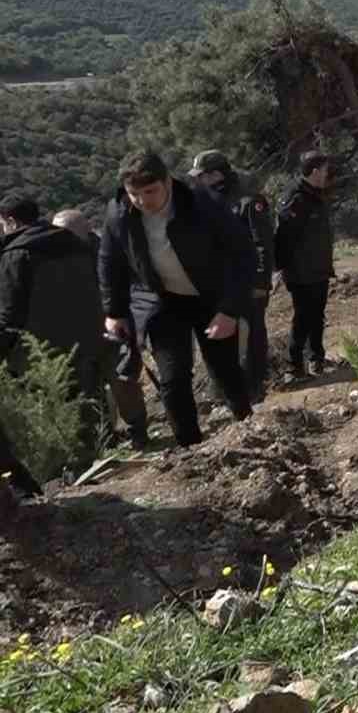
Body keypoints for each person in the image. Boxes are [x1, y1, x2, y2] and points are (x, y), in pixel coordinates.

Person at [99, 150, 255, 447]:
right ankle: (190, 448)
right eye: (135, 194)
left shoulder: (202, 204)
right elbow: (110, 261)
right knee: (172, 378)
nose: (143, 201)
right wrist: (114, 311)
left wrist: (229, 310)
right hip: (162, 300)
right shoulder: (118, 214)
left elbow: (242, 256)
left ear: (168, 182)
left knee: (224, 369)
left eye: (150, 191)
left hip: (210, 296)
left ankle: (249, 429)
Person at [0, 194, 105, 476]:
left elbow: (10, 312)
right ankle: (90, 463)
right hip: (86, 338)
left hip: (39, 350)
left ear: (10, 221)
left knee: (47, 412)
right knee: (84, 404)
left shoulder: (16, 253)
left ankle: (59, 473)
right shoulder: (78, 244)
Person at [53, 209, 149, 447]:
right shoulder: (55, 258)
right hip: (80, 333)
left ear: (84, 229)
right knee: (89, 388)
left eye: (65, 231)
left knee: (123, 381)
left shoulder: (106, 253)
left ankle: (138, 431)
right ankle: (105, 437)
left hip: (115, 327)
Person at [189, 150, 274, 403]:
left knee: (252, 334)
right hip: (218, 285)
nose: (197, 180)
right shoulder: (206, 203)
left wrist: (260, 282)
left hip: (248, 281)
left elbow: (262, 244)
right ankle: (226, 390)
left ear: (217, 174)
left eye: (202, 175)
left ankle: (255, 386)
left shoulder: (248, 201)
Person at [274, 152, 336, 378]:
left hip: (318, 268)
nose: (328, 174)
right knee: (303, 317)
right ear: (315, 171)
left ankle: (316, 358)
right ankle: (294, 365)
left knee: (317, 315)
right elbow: (284, 237)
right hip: (301, 271)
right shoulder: (296, 198)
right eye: (325, 170)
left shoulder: (315, 194)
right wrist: (281, 269)